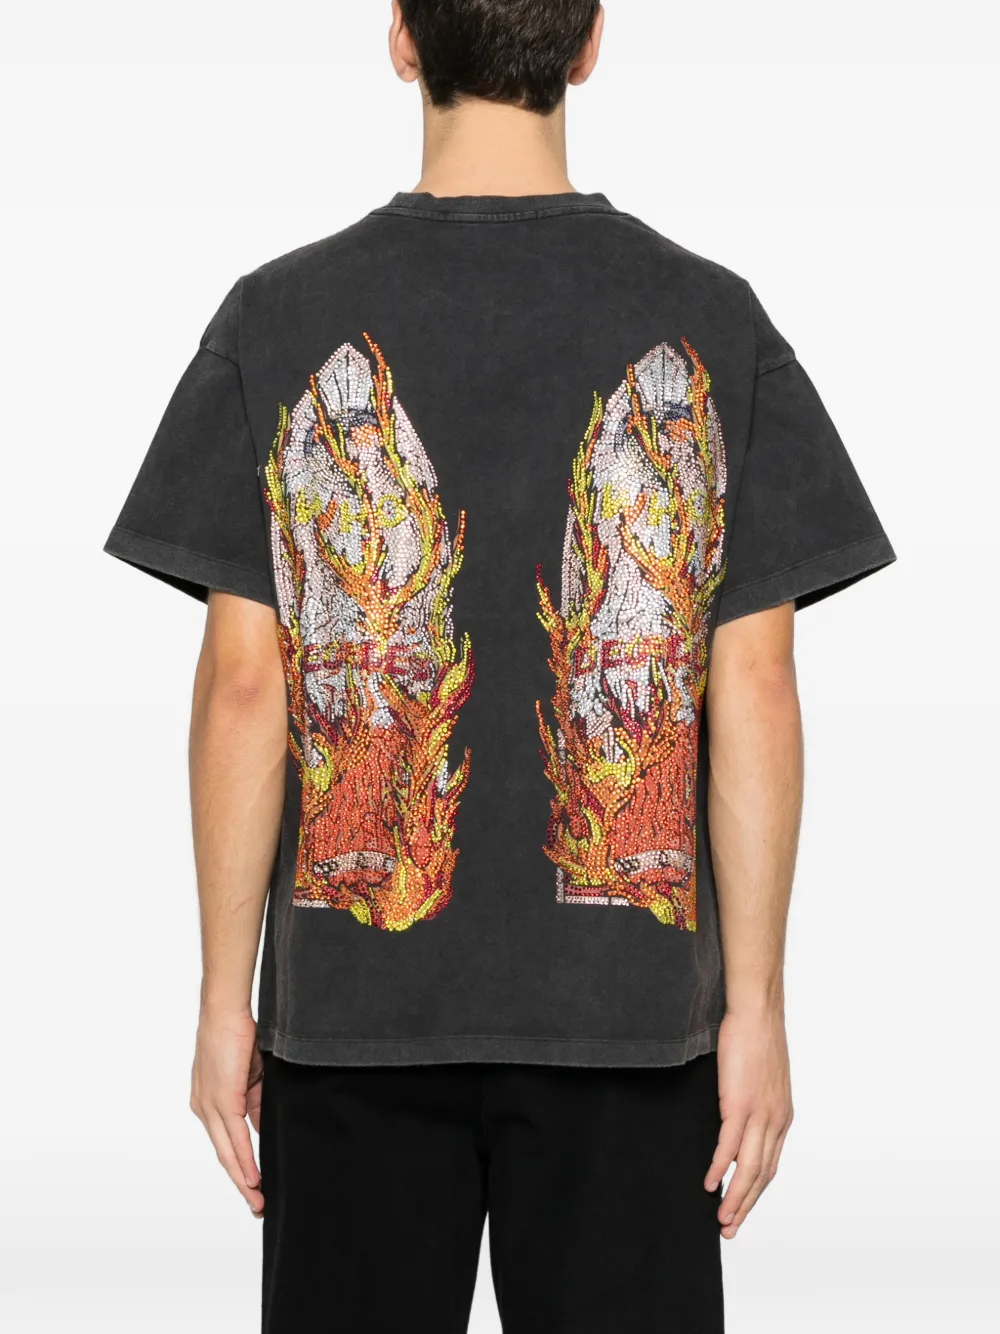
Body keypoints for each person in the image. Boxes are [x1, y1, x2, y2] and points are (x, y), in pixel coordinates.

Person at [104, 2, 895, 1329]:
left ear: (402, 40)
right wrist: (755, 1010)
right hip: (628, 1025)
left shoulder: (278, 316)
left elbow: (246, 685)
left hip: (354, 1017)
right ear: (588, 45)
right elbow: (755, 686)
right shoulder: (710, 317)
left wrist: (222, 1000)